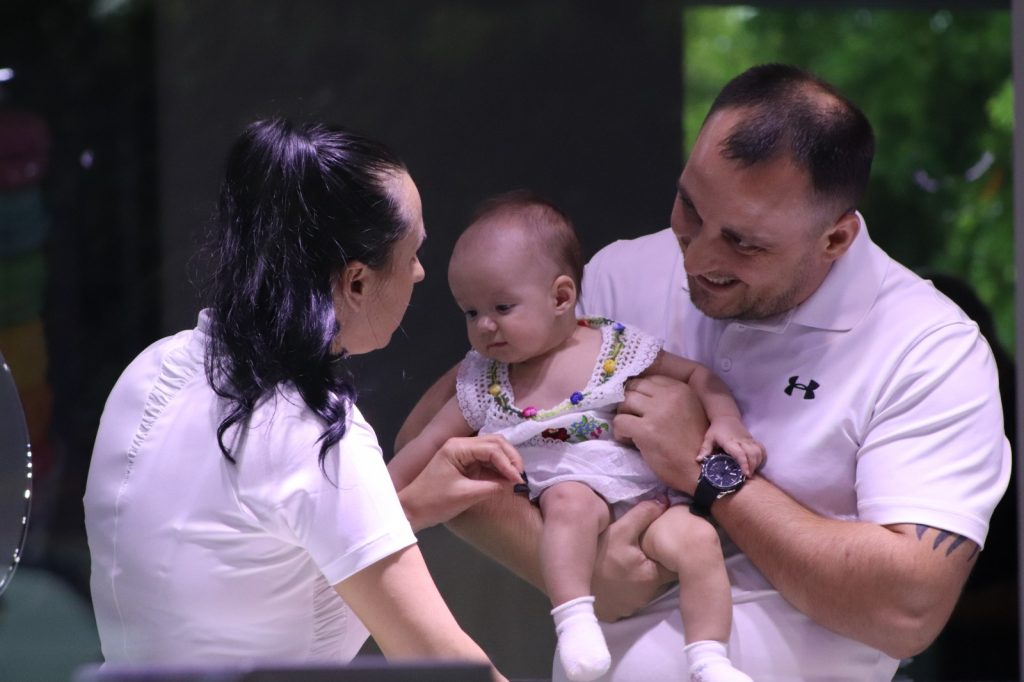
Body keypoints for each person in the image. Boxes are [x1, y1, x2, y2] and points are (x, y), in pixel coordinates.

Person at [395, 64, 1012, 681]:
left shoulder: (930, 348)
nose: (697, 256)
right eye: (689, 208)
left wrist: (706, 471)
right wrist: (580, 575)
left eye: (745, 243)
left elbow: (906, 609)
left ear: (835, 239)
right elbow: (437, 442)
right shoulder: (620, 276)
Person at [83, 118, 526, 679]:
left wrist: (403, 507)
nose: (418, 273)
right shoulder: (315, 431)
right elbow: (448, 664)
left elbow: (246, 565)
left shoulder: (152, 367)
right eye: (413, 251)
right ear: (357, 282)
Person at [388, 192, 764, 682]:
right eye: (470, 312)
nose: (484, 326)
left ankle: (710, 658)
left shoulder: (613, 347)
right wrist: (377, 496)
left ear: (562, 297)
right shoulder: (484, 379)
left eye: (502, 306)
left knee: (696, 540)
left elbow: (698, 377)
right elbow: (426, 443)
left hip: (650, 494)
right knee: (570, 502)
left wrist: (726, 423)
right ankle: (574, 621)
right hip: (573, 502)